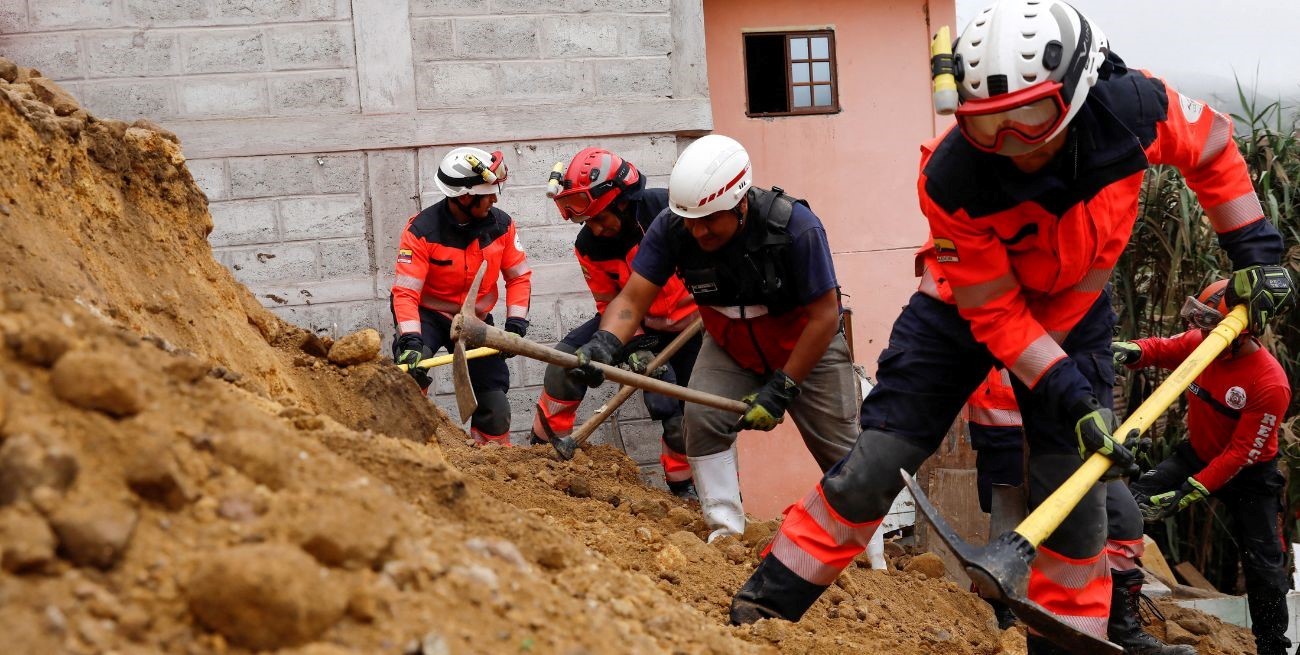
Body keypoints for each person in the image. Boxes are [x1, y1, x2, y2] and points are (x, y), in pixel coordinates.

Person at [728, 1, 1294, 653]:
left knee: (1076, 512)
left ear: (1076, 96)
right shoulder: (953, 178)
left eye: (1030, 117)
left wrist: (1255, 250)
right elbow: (998, 316)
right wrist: (1073, 396)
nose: (1013, 144)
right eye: (987, 126)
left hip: (1075, 320)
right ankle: (761, 610)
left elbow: (1214, 147)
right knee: (873, 468)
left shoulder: (1133, 110)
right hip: (956, 317)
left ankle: (1066, 643)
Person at [568, 134, 860, 542]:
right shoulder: (673, 228)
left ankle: (869, 557)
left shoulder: (794, 226)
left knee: (843, 451)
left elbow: (825, 315)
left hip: (806, 344)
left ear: (740, 204)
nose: (698, 232)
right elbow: (633, 297)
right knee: (701, 423)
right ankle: (725, 534)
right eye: (690, 220)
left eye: (709, 221)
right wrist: (606, 343)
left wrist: (784, 387)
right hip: (730, 344)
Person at [1116, 279, 1293, 655]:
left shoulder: (1269, 382)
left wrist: (1185, 494)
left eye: (1215, 327)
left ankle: (1272, 647)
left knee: (1264, 566)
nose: (1205, 333)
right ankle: (1119, 616)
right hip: (1196, 453)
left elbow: (1240, 453)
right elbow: (1161, 349)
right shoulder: (1202, 343)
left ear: (1241, 333)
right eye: (1204, 325)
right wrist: (1129, 351)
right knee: (1126, 504)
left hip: (1251, 476)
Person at [966, 368, 1192, 654]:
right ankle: (998, 618)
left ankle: (1124, 632)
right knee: (1010, 527)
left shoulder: (1085, 333)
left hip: (1075, 437)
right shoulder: (1011, 332)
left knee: (1125, 519)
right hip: (1006, 432)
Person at [529, 147, 702, 498]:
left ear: (623, 200)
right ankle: (541, 453)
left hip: (696, 329)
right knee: (563, 365)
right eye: (587, 222)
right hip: (630, 323)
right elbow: (610, 303)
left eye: (599, 217)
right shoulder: (589, 246)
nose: (595, 228)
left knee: (679, 417)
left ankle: (684, 490)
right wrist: (633, 344)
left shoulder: (670, 214)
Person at [390, 147, 532, 446]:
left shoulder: (502, 226)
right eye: (488, 193)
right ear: (465, 197)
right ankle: (412, 453)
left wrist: (515, 325)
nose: (495, 199)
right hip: (430, 316)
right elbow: (404, 293)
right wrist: (411, 342)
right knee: (409, 379)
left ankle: (494, 470)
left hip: (476, 320)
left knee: (496, 408)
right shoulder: (421, 231)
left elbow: (518, 277)